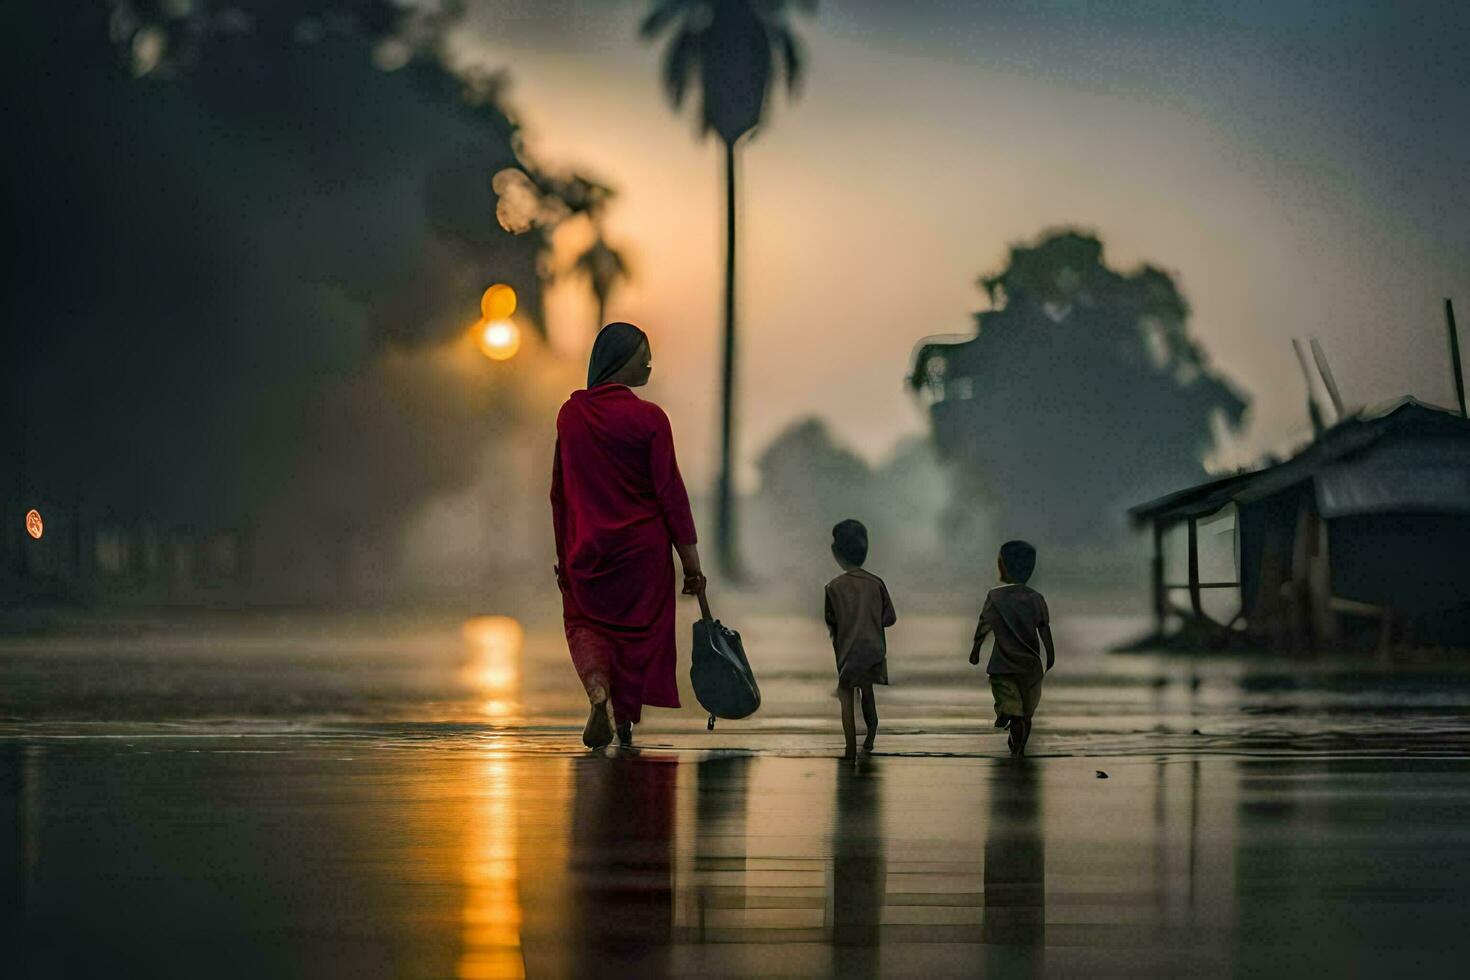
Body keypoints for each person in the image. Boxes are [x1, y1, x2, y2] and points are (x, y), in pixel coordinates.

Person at [551, 322, 705, 750]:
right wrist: (691, 564)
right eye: (644, 354)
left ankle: (598, 691)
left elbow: (560, 495)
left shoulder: (571, 416)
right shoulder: (651, 419)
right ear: (619, 361)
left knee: (585, 624)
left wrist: (564, 555)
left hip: (588, 549)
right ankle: (625, 721)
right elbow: (670, 493)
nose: (650, 362)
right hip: (645, 555)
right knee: (637, 639)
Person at [969, 540, 1055, 756]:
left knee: (1016, 710)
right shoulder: (1036, 599)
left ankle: (1012, 728)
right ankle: (1018, 747)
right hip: (1031, 667)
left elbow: (983, 625)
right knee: (1026, 713)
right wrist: (1050, 656)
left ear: (1005, 567)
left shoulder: (995, 597)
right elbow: (1044, 629)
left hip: (1003, 666)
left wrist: (976, 650)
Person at [824, 519, 897, 760]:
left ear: (836, 553)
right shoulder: (876, 584)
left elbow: (831, 622)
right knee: (867, 691)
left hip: (848, 653)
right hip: (873, 651)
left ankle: (850, 747)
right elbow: (890, 619)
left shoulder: (833, 588)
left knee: (846, 694)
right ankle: (871, 733)